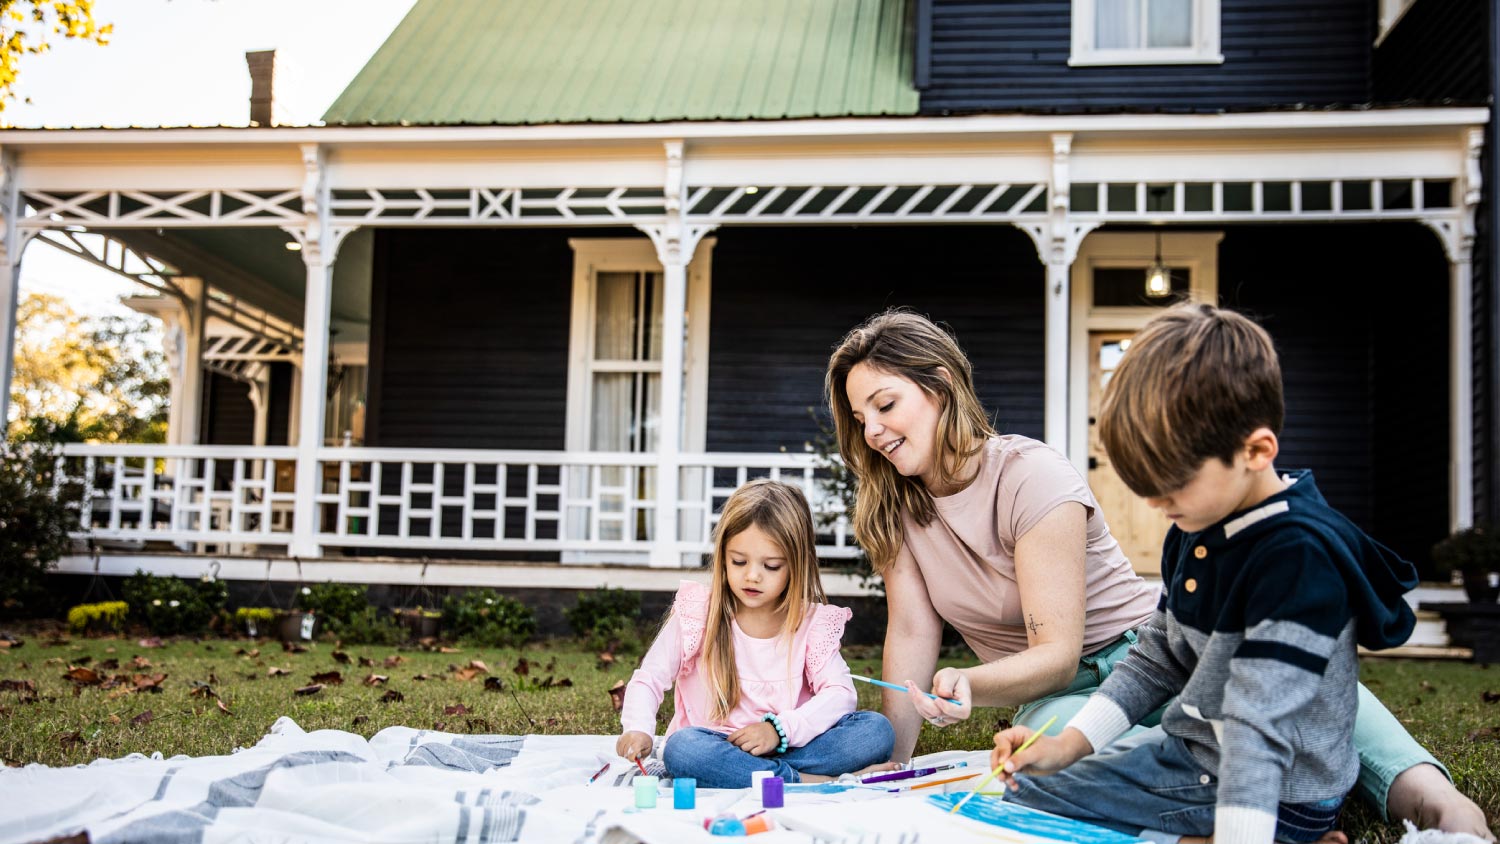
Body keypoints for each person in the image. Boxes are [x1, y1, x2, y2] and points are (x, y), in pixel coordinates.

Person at [824, 309, 1493, 840]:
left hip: (1136, 651)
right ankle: (1273, 811)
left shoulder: (1029, 475)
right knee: (1055, 762)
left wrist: (969, 681)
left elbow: (1059, 653)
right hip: (1058, 697)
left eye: (886, 405)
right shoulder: (892, 505)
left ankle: (1442, 809)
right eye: (859, 418)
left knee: (1299, 693)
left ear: (939, 386)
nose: (873, 431)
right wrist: (898, 758)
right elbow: (912, 628)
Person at [987, 302, 1416, 843]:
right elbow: (1158, 657)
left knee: (1047, 803)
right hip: (1198, 756)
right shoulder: (1200, 526)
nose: (1159, 505)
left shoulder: (1297, 561)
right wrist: (1069, 745)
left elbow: (1257, 729)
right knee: (1029, 781)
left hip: (1279, 789)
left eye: (1174, 485)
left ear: (1255, 450)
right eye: (1148, 488)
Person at [615, 478, 895, 788]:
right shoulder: (699, 613)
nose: (752, 576)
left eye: (771, 566)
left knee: (876, 730)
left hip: (788, 745)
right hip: (715, 747)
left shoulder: (810, 624)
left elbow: (840, 694)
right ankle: (805, 780)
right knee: (683, 750)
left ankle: (759, 775)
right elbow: (650, 678)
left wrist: (779, 731)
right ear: (723, 556)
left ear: (796, 566)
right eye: (739, 561)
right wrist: (638, 727)